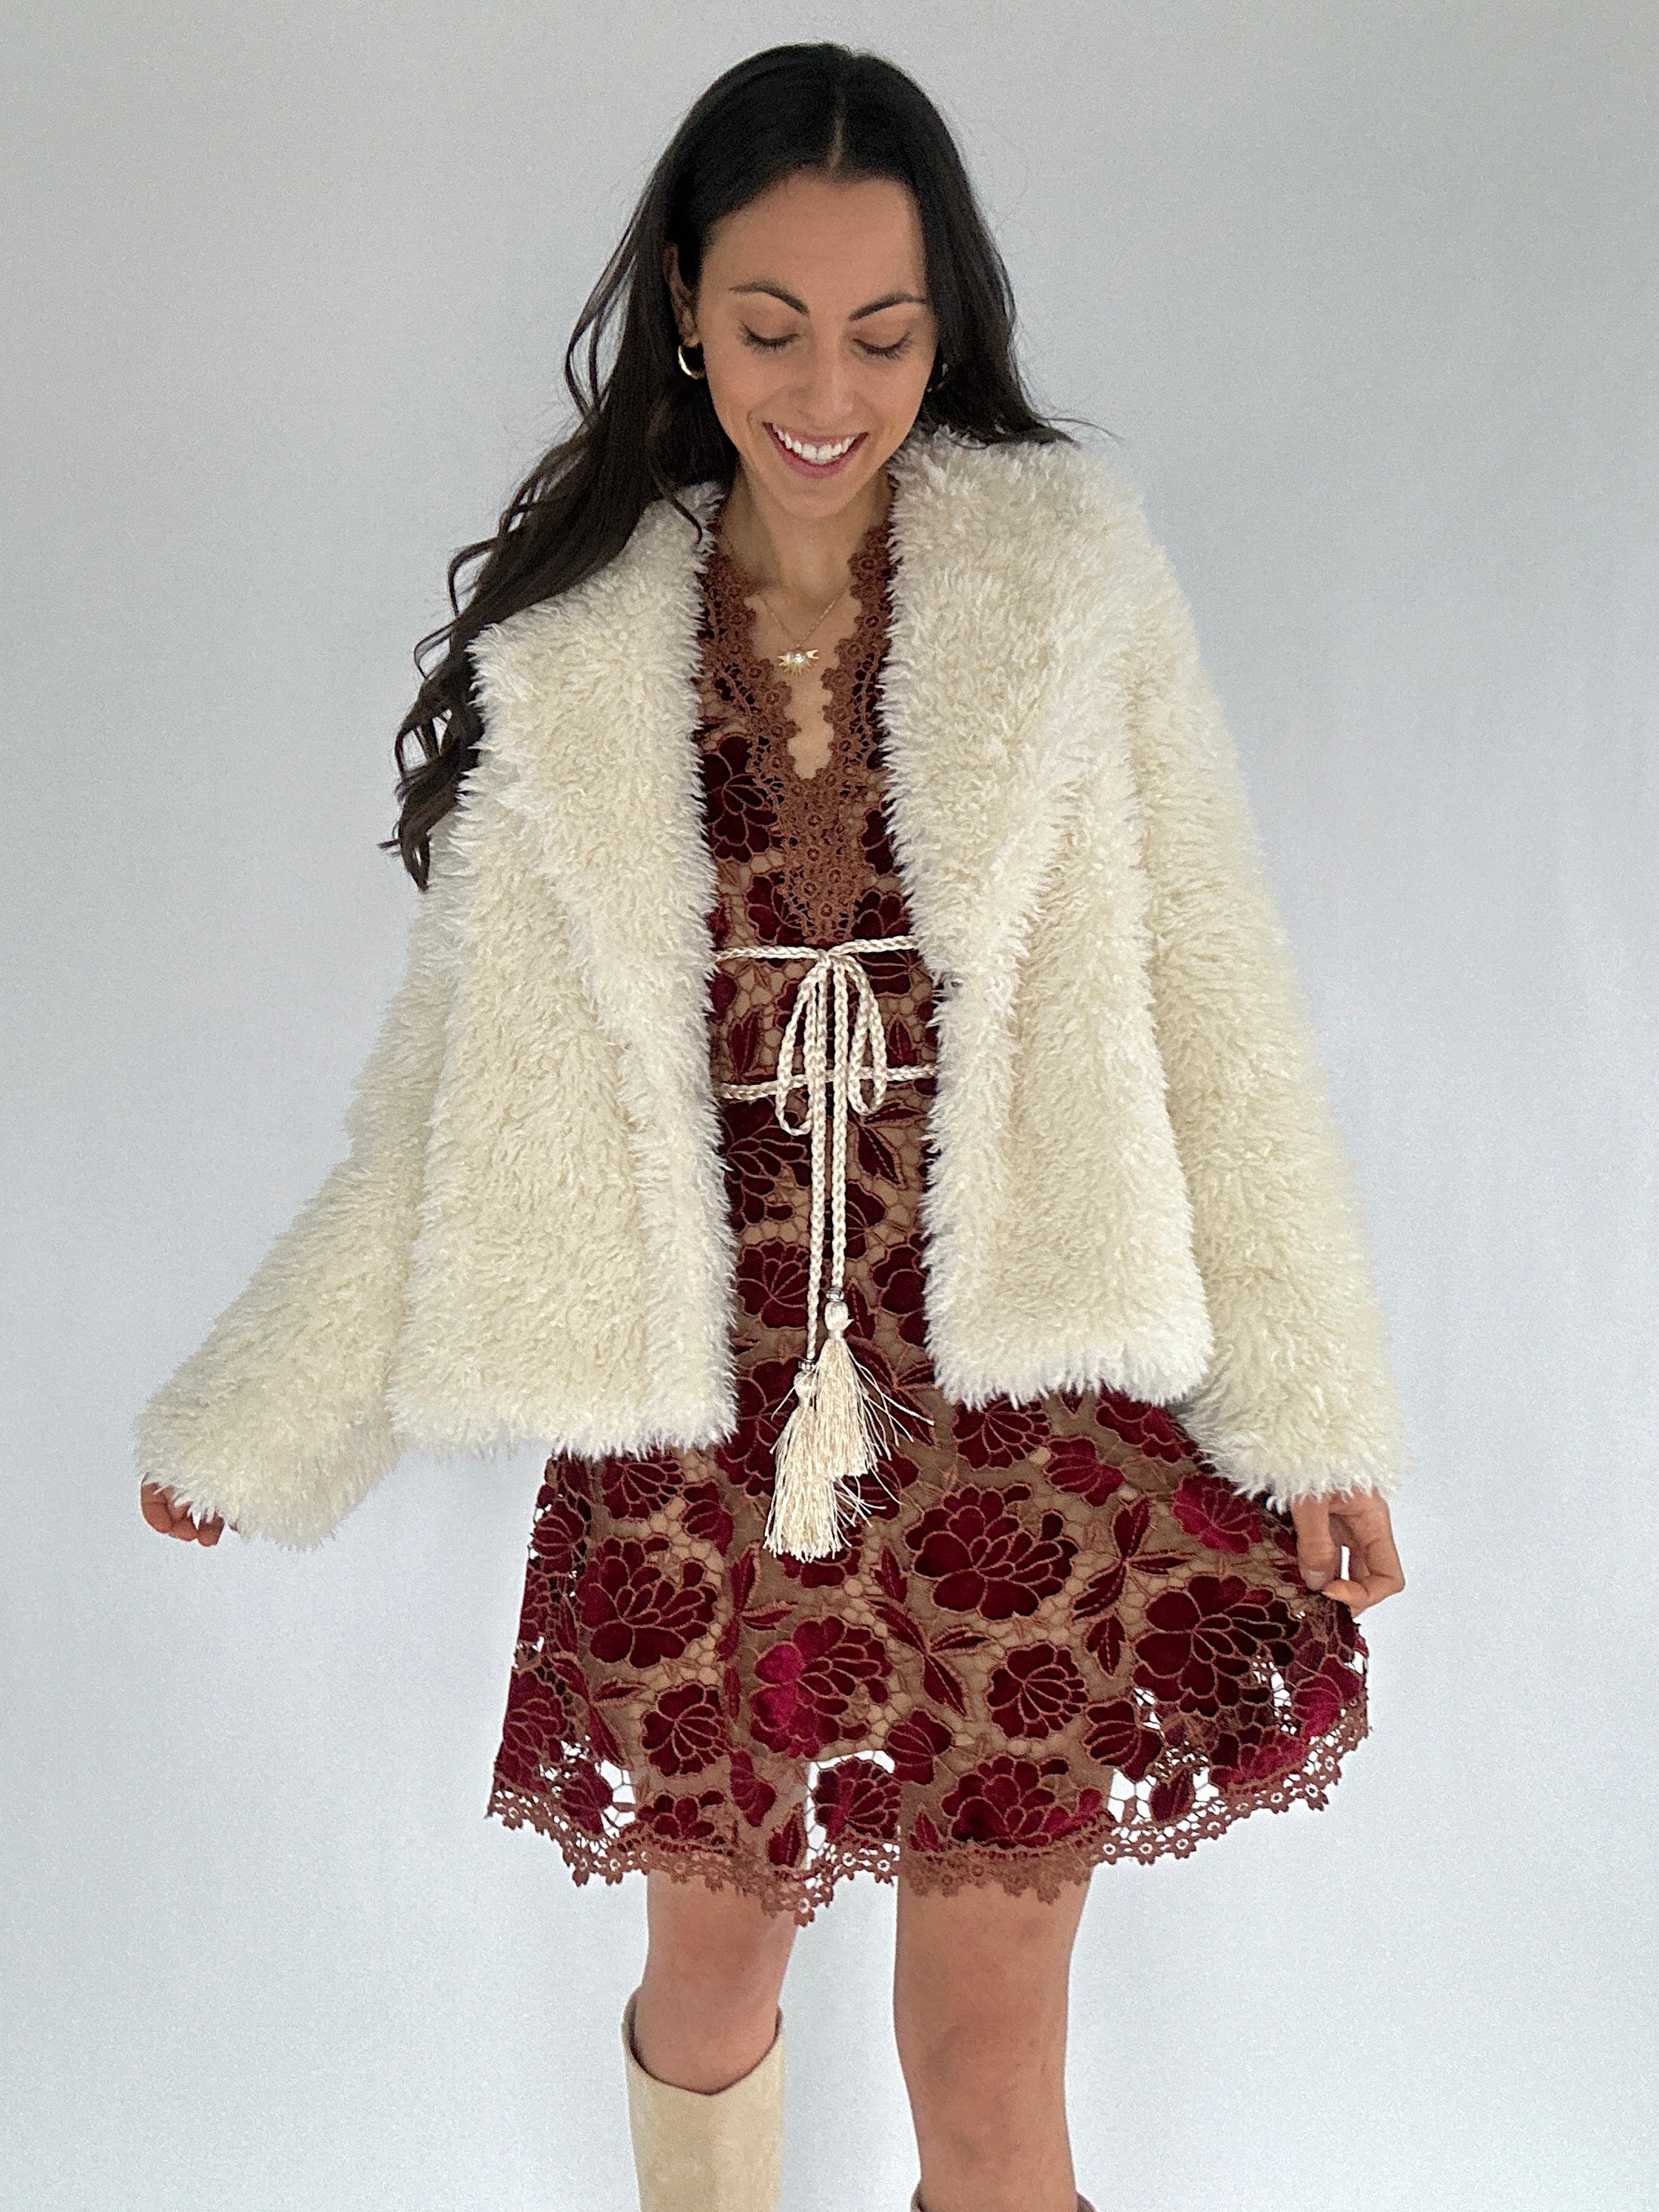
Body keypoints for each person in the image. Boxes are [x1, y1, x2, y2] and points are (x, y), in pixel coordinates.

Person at [138, 42, 1407, 2212]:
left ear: (947, 323)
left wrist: (1314, 1416)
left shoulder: (1066, 582)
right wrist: (263, 1420)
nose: (827, 387)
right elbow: (440, 1111)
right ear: (681, 309)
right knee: (711, 1985)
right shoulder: (582, 654)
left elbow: (1216, 1000)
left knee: (986, 2077)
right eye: (771, 327)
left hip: (1020, 1424)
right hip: (704, 1431)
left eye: (884, 333)